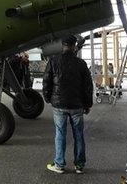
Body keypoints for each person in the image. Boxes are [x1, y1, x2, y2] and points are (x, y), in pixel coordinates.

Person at [43, 35, 93, 174]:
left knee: (60, 134)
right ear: (74, 46)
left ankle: (59, 165)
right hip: (77, 105)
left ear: (62, 45)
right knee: (79, 135)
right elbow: (87, 86)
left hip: (59, 104)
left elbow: (46, 81)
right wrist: (87, 104)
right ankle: (79, 165)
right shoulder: (81, 64)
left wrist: (48, 98)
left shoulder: (53, 61)